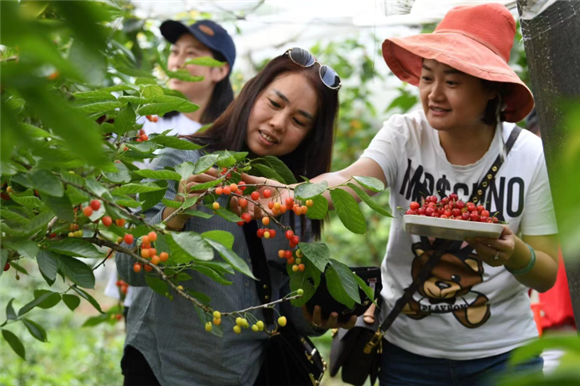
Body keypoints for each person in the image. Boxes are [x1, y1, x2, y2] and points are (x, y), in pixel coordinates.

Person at [246, 4, 559, 385]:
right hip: (408, 356)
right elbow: (350, 181)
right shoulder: (404, 135)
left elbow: (545, 274)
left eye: (453, 82)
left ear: (491, 89)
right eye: (428, 78)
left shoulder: (528, 154)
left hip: (504, 357)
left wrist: (514, 253)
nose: (433, 94)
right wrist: (289, 193)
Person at [115, 47, 353, 386]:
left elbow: (282, 304)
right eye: (274, 103)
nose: (278, 123)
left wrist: (320, 314)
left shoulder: (294, 197)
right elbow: (130, 269)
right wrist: (176, 212)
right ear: (252, 94)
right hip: (163, 368)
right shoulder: (181, 161)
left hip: (248, 373)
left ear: (312, 135)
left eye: (299, 121)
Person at [105, 19, 237, 317]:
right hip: (137, 253)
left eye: (192, 54)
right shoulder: (144, 119)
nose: (177, 61)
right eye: (175, 52)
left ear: (220, 70)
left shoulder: (222, 139)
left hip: (189, 273)